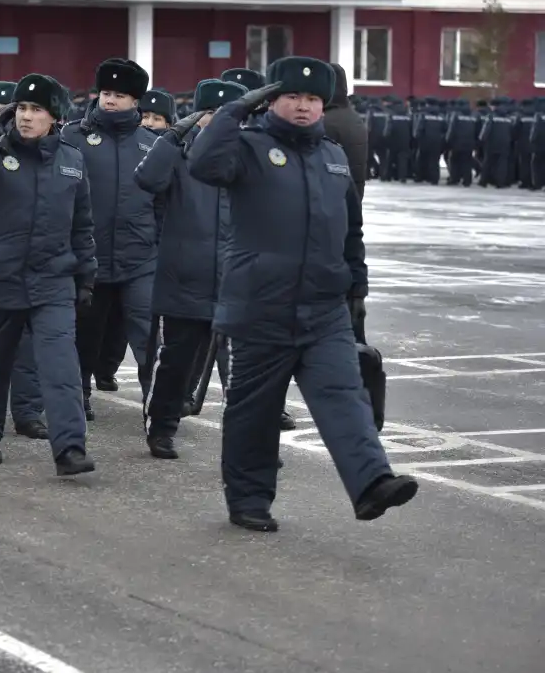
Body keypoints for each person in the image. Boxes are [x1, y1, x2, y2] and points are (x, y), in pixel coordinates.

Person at [188, 56, 418, 532]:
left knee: (344, 395)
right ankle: (249, 501)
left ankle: (372, 483)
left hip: (324, 308)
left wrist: (357, 287)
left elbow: (350, 229)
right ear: (272, 99)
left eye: (313, 98)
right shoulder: (248, 147)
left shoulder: (333, 156)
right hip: (260, 307)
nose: (303, 106)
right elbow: (204, 164)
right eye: (292, 96)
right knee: (255, 412)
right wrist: (234, 110)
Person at [0, 73, 96, 474]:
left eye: (36, 110)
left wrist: (86, 276)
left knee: (61, 366)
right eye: (22, 108)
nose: (26, 117)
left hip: (53, 280)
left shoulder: (73, 162)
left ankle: (70, 449)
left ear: (55, 117)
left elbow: (82, 226)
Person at [136, 78, 243, 459]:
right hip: (184, 275)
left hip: (237, 280)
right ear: (197, 116)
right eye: (209, 113)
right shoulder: (179, 155)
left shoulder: (248, 157)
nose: (215, 121)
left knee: (244, 370)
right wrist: (171, 138)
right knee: (175, 363)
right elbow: (146, 179)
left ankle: (250, 440)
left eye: (225, 114)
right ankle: (162, 428)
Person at [60, 59, 158, 411]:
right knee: (83, 333)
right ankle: (78, 396)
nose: (110, 101)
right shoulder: (72, 136)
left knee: (148, 336)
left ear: (136, 101)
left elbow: (163, 201)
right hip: (89, 255)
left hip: (140, 257)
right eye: (105, 93)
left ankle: (158, 408)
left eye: (119, 95)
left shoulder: (152, 144)